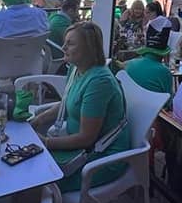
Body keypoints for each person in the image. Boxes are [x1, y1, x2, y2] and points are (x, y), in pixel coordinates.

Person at [33, 22, 130, 193]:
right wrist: (37, 120)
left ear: (89, 48)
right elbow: (67, 103)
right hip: (78, 148)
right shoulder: (77, 69)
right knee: (29, 166)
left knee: (36, 182)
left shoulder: (99, 82)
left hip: (101, 157)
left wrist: (47, 143)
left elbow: (87, 138)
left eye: (70, 43)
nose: (63, 47)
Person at [125, 16, 174, 102]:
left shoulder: (130, 64)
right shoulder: (165, 72)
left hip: (129, 111)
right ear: (164, 52)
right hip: (154, 114)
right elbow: (169, 102)